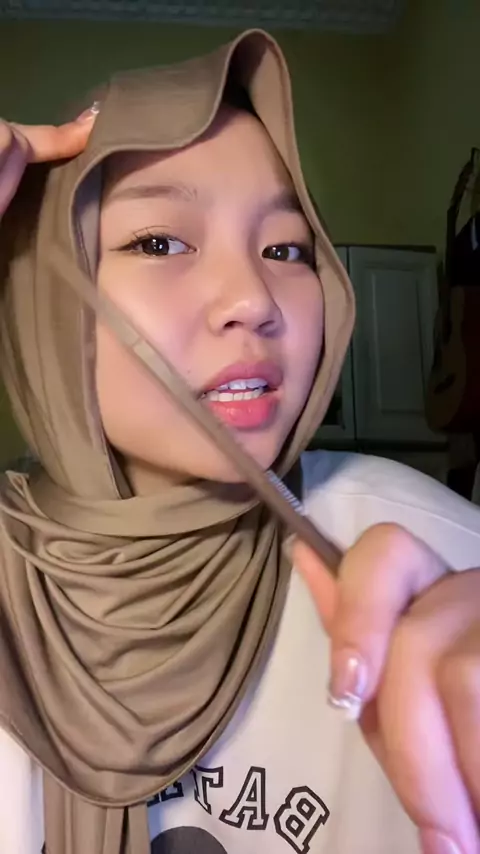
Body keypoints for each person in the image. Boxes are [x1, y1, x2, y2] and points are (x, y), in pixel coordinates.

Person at [0, 29, 478, 854]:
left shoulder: (432, 550)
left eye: (286, 249)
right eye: (159, 242)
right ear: (43, 294)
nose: (254, 299)